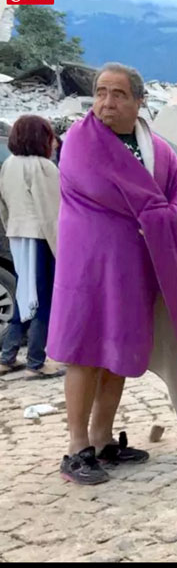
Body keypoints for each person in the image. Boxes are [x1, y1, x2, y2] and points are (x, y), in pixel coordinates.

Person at [47, 62, 177, 485]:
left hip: (133, 266)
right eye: (100, 92)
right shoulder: (80, 141)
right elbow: (109, 190)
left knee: (117, 351)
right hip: (90, 265)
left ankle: (102, 438)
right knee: (84, 350)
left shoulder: (153, 146)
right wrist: (158, 210)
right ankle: (76, 448)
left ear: (137, 101)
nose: (106, 102)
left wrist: (171, 212)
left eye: (117, 94)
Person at [0, 115, 63, 380]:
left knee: (24, 296)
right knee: (42, 300)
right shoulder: (44, 168)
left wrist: (12, 228)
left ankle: (7, 356)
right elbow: (52, 212)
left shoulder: (9, 165)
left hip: (17, 233)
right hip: (40, 237)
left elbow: (4, 205)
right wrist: (61, 249)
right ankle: (36, 360)